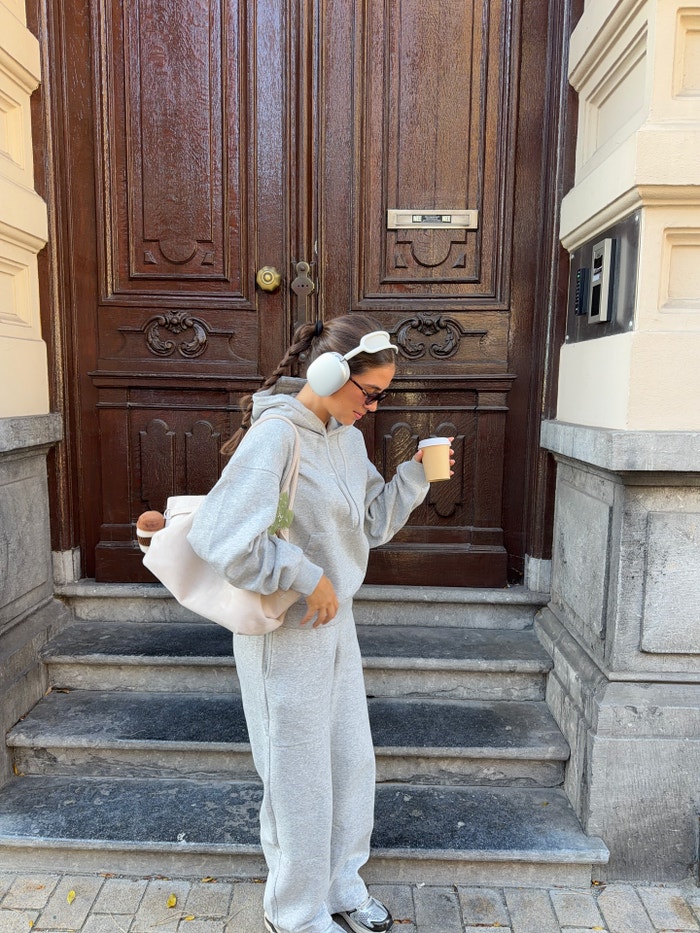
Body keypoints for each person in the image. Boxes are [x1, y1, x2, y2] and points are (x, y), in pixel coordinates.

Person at [187, 314, 450, 933]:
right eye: (371, 393)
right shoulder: (276, 436)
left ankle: (340, 886)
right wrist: (307, 575)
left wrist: (415, 475)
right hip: (285, 631)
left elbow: (370, 525)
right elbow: (221, 538)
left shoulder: (346, 438)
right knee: (297, 774)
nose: (374, 407)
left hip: (335, 625)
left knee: (350, 762)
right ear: (330, 374)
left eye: (382, 396)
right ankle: (295, 912)